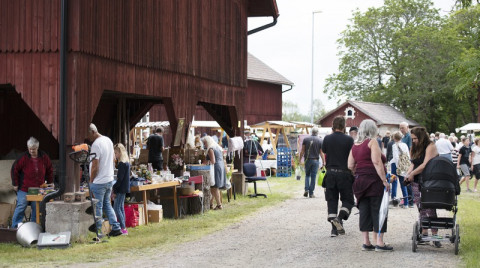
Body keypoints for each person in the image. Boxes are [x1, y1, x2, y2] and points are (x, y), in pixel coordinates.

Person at [348, 119, 392, 252]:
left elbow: (350, 165)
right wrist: (384, 180)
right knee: (378, 209)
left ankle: (366, 242)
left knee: (364, 210)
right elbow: (377, 162)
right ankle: (379, 242)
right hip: (373, 180)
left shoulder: (355, 145)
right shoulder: (372, 142)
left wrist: (359, 172)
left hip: (359, 181)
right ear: (373, 130)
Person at [404, 127, 441, 247]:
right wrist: (408, 174)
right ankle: (424, 233)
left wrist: (412, 173)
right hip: (416, 180)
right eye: (412, 138)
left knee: (430, 207)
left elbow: (425, 164)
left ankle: (435, 234)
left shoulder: (430, 146)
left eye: (415, 138)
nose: (413, 141)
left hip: (429, 180)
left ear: (421, 137)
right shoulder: (414, 147)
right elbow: (413, 163)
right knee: (421, 206)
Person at [322, 116, 355, 237]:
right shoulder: (349, 140)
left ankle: (334, 230)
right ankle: (340, 218)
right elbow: (353, 156)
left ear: (333, 125)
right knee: (348, 200)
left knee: (332, 200)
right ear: (344, 126)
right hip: (344, 173)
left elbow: (325, 151)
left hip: (330, 173)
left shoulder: (327, 138)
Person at [88, 123, 122, 237]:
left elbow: (95, 166)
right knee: (107, 204)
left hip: (99, 181)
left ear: (93, 132)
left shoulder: (96, 145)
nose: (88, 139)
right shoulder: (108, 140)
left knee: (98, 206)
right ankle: (116, 227)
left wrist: (91, 180)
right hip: (109, 178)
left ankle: (98, 231)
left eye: (89, 136)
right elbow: (113, 159)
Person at [11, 137, 53, 228]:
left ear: (37, 148)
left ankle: (34, 227)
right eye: (29, 149)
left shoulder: (44, 157)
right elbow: (14, 169)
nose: (31, 151)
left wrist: (50, 182)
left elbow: (50, 169)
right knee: (21, 205)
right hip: (24, 188)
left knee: (36, 207)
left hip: (38, 188)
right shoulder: (23, 157)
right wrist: (15, 184)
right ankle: (14, 227)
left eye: (33, 149)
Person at [299, 127, 325, 198]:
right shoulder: (320, 140)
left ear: (311, 132)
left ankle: (306, 189)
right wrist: (323, 161)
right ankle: (311, 193)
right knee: (313, 176)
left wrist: (299, 160)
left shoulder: (306, 139)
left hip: (307, 160)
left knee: (307, 175)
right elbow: (321, 153)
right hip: (316, 160)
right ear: (317, 133)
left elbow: (302, 151)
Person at [202, 135, 227, 210]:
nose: (204, 145)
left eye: (205, 143)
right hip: (221, 166)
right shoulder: (217, 147)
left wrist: (203, 164)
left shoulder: (210, 149)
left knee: (214, 187)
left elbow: (213, 161)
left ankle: (219, 205)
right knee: (214, 187)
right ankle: (211, 204)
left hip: (216, 168)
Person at [389, 131, 411, 207]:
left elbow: (395, 157)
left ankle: (394, 201)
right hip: (404, 166)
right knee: (403, 184)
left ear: (394, 138)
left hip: (396, 165)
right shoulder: (405, 145)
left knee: (394, 182)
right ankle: (406, 203)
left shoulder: (394, 145)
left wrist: (398, 166)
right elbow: (408, 156)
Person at [113, 143, 131, 235]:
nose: (115, 155)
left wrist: (114, 188)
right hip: (124, 188)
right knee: (120, 208)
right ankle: (123, 227)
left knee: (116, 208)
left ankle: (123, 228)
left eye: (116, 153)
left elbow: (120, 179)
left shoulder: (121, 164)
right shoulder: (126, 162)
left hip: (120, 189)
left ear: (120, 152)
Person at [399, 122, 413, 208]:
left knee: (407, 180)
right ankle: (407, 199)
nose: (401, 129)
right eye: (400, 128)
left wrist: (409, 160)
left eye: (403, 128)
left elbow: (410, 149)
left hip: (407, 161)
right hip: (403, 161)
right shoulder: (403, 136)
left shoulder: (409, 136)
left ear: (407, 127)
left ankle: (410, 201)